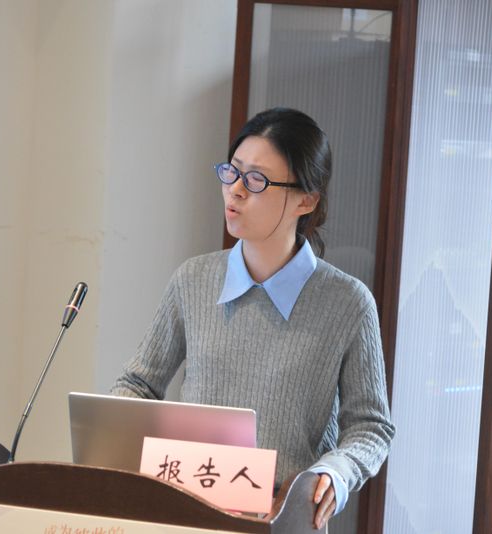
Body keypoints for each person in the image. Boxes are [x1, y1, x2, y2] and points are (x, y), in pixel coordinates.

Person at [111, 107, 395, 530]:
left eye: (257, 180)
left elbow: (370, 426)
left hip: (283, 519)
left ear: (307, 199)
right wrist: (119, 431)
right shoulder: (193, 279)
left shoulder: (348, 303)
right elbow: (138, 383)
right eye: (232, 172)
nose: (236, 191)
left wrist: (336, 472)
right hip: (187, 516)